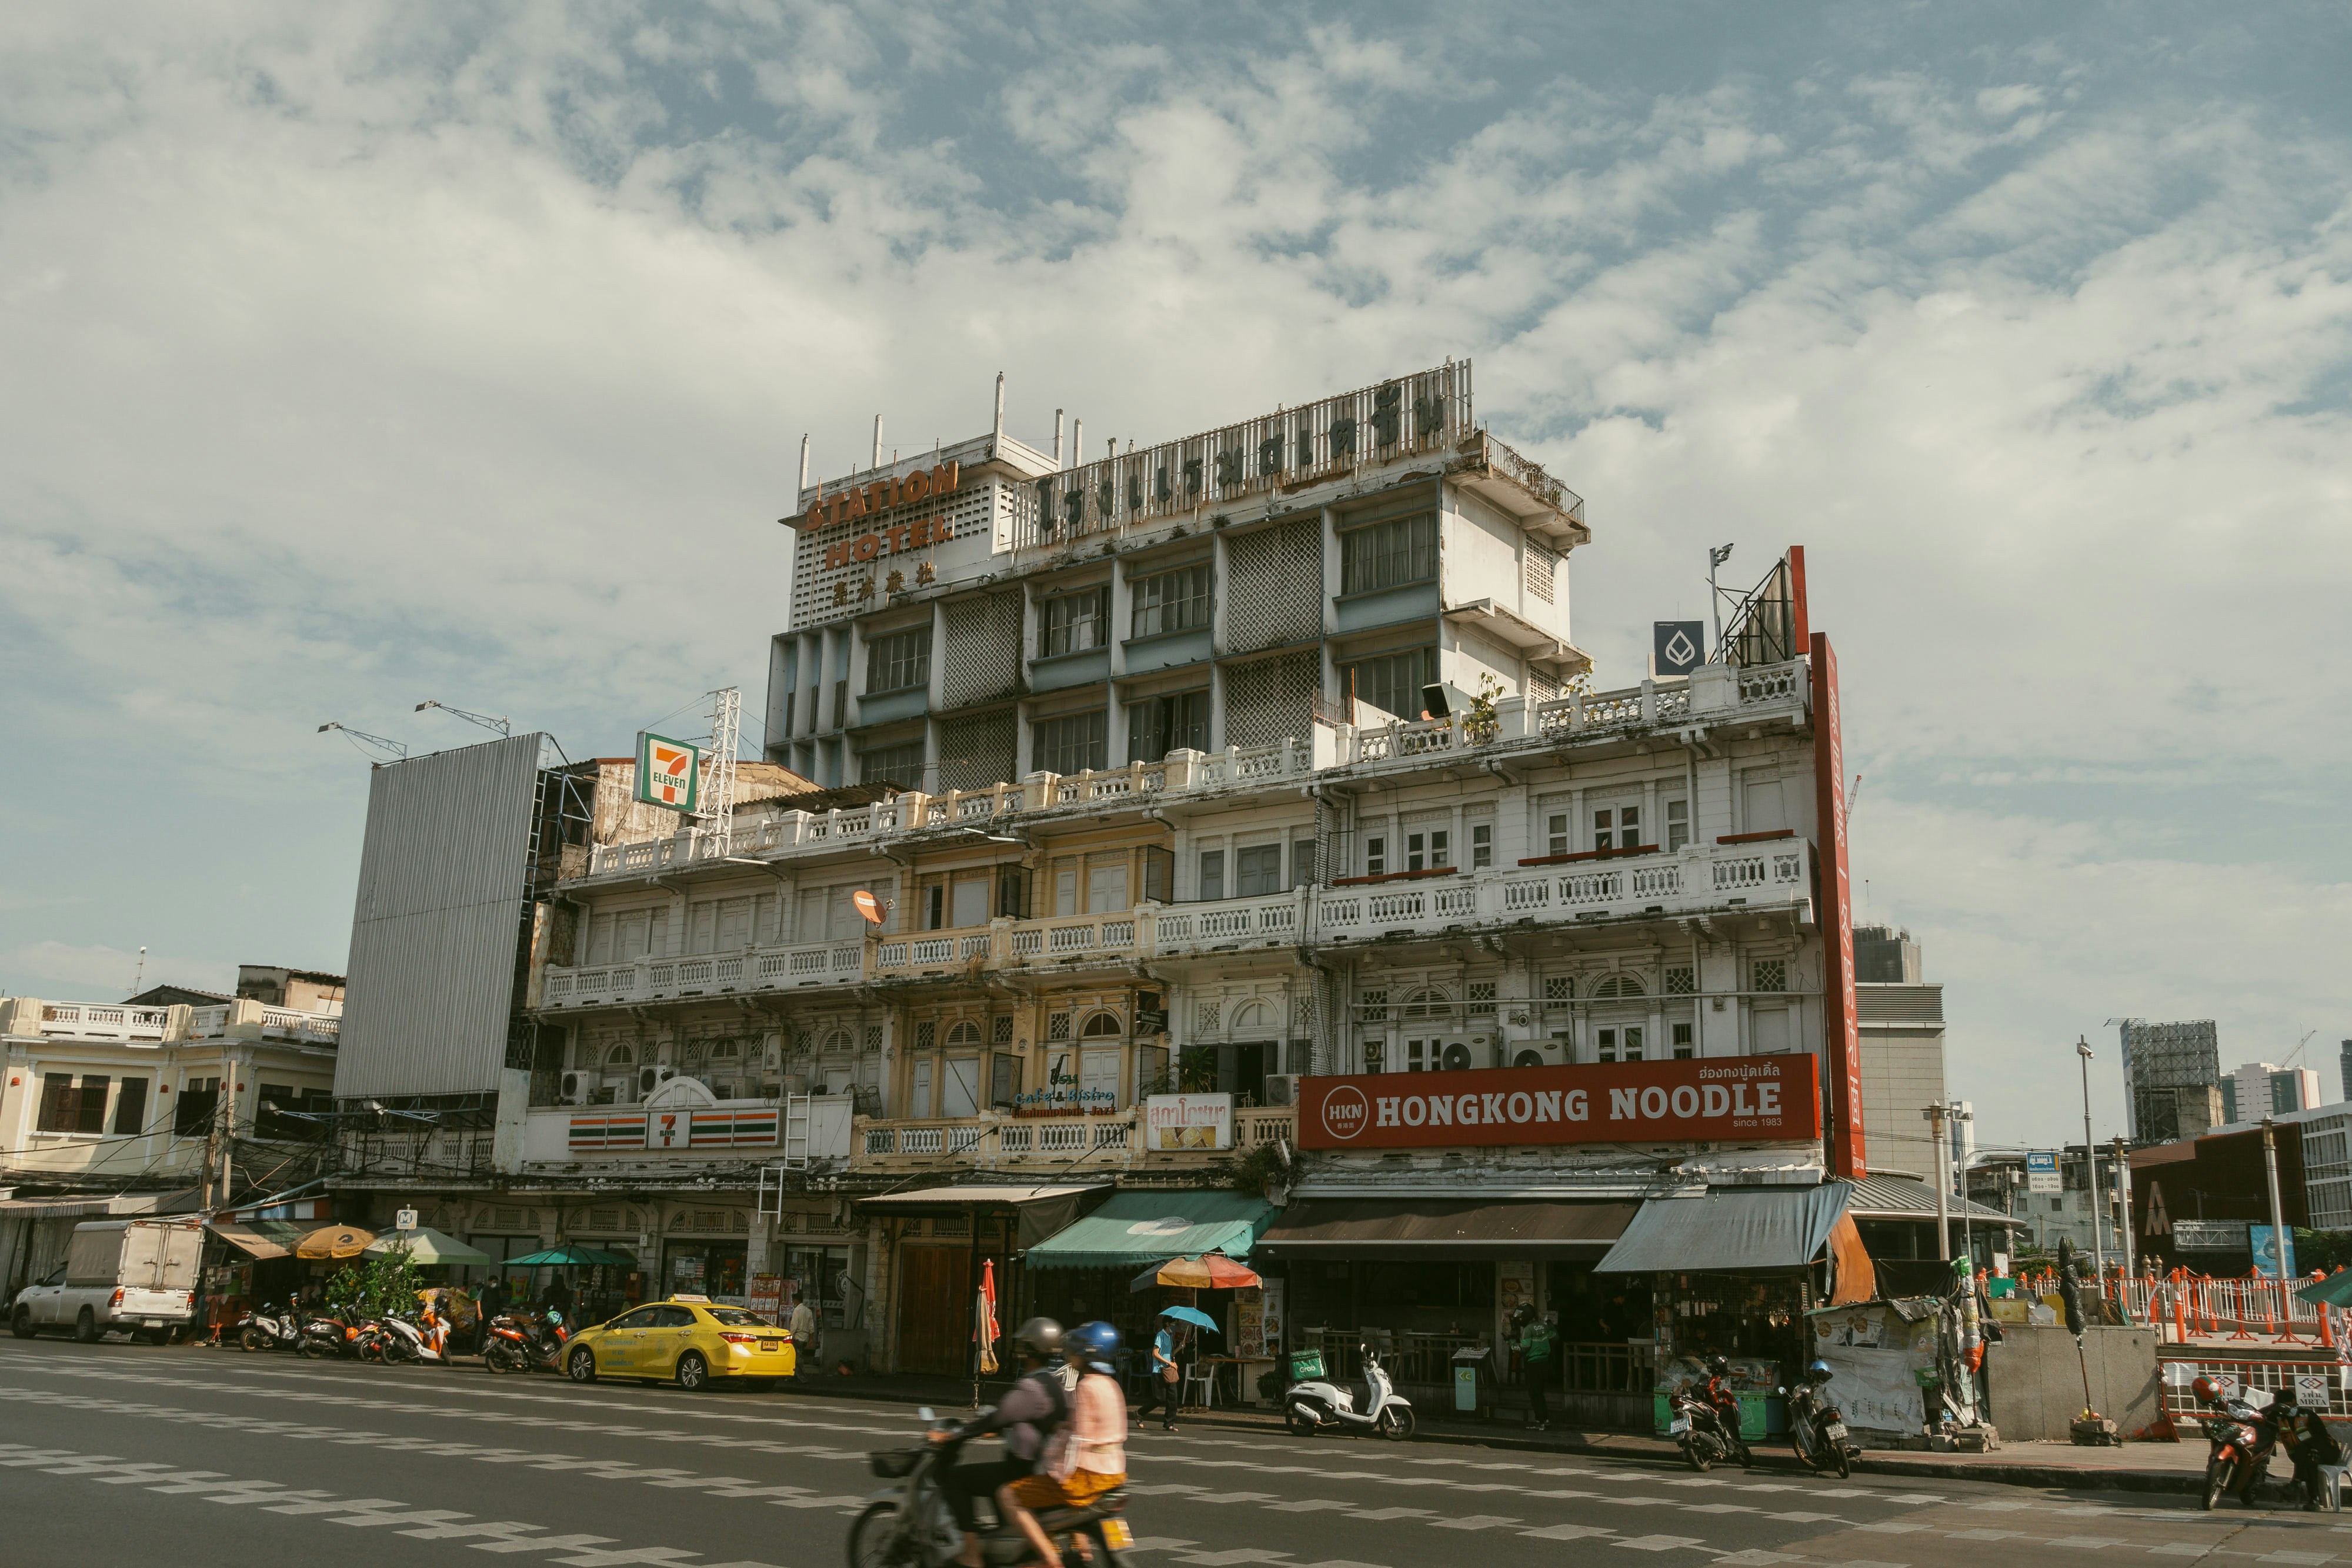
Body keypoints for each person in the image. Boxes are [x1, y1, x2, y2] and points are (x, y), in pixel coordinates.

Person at [936, 1317, 1069, 1568]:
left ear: (1030, 1349)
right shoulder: (1056, 1385)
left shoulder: (1030, 1387)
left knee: (956, 1478)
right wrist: (1003, 1432)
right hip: (1042, 1467)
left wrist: (954, 1435)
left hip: (1020, 1471)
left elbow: (997, 1417)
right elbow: (1034, 1422)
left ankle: (972, 1554)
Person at [1002, 1321, 1127, 1558]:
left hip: (1085, 1478)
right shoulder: (1112, 1386)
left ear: (1088, 1352)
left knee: (1010, 1496)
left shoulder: (1086, 1387)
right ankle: (1083, 1551)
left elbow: (1076, 1440)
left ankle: (1050, 1559)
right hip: (1114, 1474)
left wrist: (1054, 1467)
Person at [1512, 1304, 1558, 1431]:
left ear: (1526, 1317)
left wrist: (1512, 1344)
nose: (1519, 1319)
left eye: (1521, 1316)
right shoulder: (1542, 1326)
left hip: (1533, 1365)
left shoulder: (1528, 1330)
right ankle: (1543, 1420)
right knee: (1540, 1393)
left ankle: (1542, 1421)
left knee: (1535, 1394)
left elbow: (1524, 1348)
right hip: (1546, 1363)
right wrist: (1551, 1325)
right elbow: (1555, 1337)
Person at [1137, 1319, 1181, 1432]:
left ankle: (1169, 1424)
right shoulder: (1160, 1335)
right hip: (1159, 1371)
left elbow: (1169, 1355)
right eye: (1174, 1324)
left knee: (1173, 1398)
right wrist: (1170, 1363)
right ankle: (1139, 1413)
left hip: (1169, 1371)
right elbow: (1155, 1353)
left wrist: (1179, 1348)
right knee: (1159, 1398)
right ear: (1168, 1324)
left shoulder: (1171, 1337)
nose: (1176, 1326)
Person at [789, 1292, 819, 1377]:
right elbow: (811, 1326)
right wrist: (811, 1338)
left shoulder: (797, 1311)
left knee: (798, 1358)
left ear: (796, 1300)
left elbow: (794, 1325)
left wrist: (791, 1335)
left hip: (798, 1337)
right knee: (799, 1357)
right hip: (805, 1337)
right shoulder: (808, 1311)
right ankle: (795, 1377)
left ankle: (802, 1377)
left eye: (793, 1300)